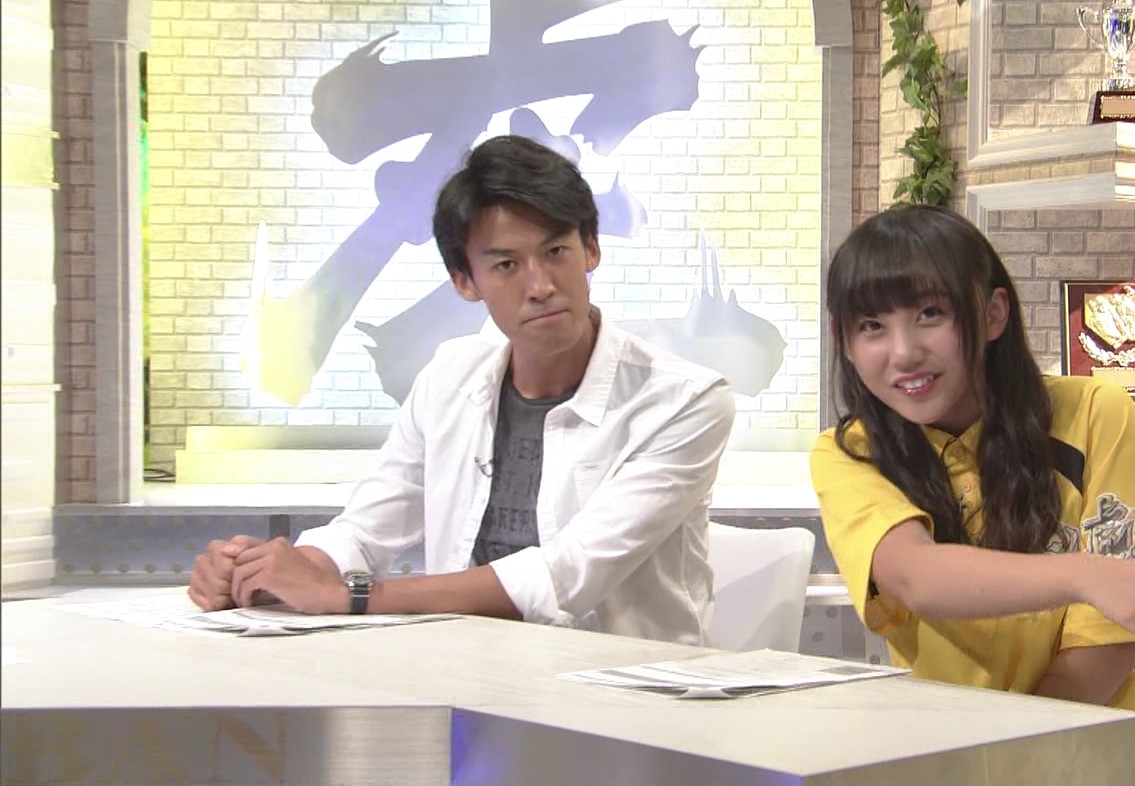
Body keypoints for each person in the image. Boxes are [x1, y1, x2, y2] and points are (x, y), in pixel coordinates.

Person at [187, 135, 736, 645]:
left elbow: (564, 577)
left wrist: (348, 596)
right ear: (465, 282)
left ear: (591, 249)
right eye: (507, 265)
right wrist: (267, 573)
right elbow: (366, 530)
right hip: (467, 673)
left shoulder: (685, 401)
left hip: (633, 688)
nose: (540, 286)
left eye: (556, 252)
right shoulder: (449, 378)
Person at [810, 205, 1135, 786]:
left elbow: (1109, 644)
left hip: (1104, 750)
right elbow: (914, 576)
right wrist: (1084, 574)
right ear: (844, 341)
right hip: (949, 756)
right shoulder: (852, 451)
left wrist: (1012, 760)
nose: (903, 352)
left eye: (930, 314)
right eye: (872, 325)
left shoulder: (1094, 413)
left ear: (993, 313)